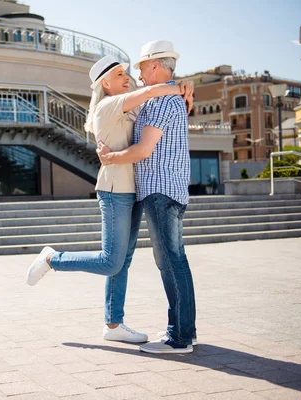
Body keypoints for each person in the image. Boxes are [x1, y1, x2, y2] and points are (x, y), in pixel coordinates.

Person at [26, 54, 193, 344]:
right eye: (119, 75)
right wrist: (179, 86)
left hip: (133, 190)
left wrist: (186, 86)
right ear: (105, 82)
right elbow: (153, 90)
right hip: (115, 191)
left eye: (127, 74)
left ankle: (113, 326)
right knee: (111, 261)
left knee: (123, 260)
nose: (127, 78)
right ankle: (53, 259)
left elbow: (157, 105)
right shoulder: (108, 105)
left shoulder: (129, 108)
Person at [96, 40, 197, 354]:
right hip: (166, 190)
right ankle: (183, 332)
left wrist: (110, 158)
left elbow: (142, 150)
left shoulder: (162, 102)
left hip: (160, 190)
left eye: (140, 66)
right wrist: (184, 88)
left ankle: (178, 338)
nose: (137, 73)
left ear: (155, 65)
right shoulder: (167, 98)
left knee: (170, 262)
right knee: (174, 261)